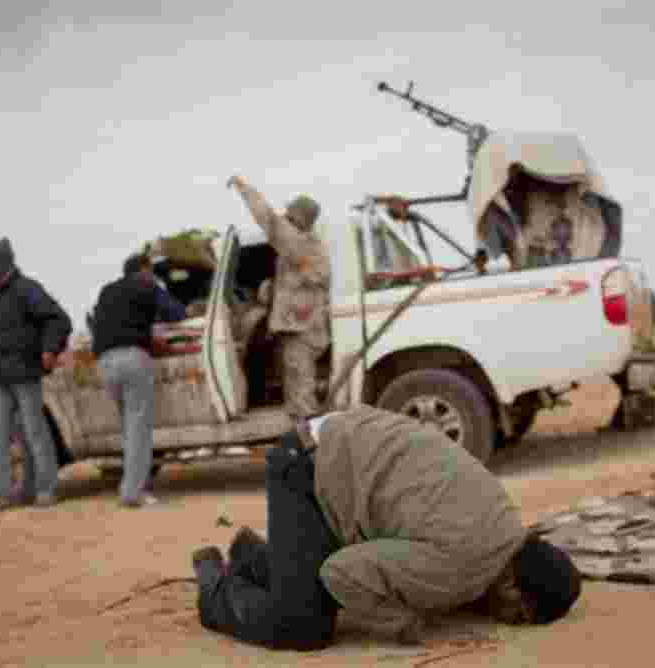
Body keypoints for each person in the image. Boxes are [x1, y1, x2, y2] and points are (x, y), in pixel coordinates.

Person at [192, 406, 583, 651]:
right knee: (302, 624)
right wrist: (402, 622)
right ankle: (214, 587)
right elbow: (341, 574)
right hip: (307, 467)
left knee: (312, 583)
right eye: (516, 615)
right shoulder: (465, 566)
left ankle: (257, 557)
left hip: (339, 448)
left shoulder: (503, 524)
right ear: (515, 589)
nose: (505, 618)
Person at [0, 237, 72, 510]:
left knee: (35, 431)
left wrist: (50, 350)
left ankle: (46, 490)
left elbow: (58, 319)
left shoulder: (27, 288)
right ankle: (2, 494)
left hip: (25, 372)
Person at [227, 175, 331, 419]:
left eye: (290, 215)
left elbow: (268, 220)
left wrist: (245, 190)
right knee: (298, 394)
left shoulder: (298, 242)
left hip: (302, 331)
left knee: (301, 399)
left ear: (298, 219)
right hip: (305, 329)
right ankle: (307, 444)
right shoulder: (308, 246)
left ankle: (312, 448)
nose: (285, 217)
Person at [91, 253, 187, 508]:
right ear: (144, 271)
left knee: (128, 427)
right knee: (138, 429)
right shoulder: (146, 285)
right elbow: (176, 312)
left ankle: (130, 486)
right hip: (132, 358)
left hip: (105, 362)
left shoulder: (107, 291)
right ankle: (133, 493)